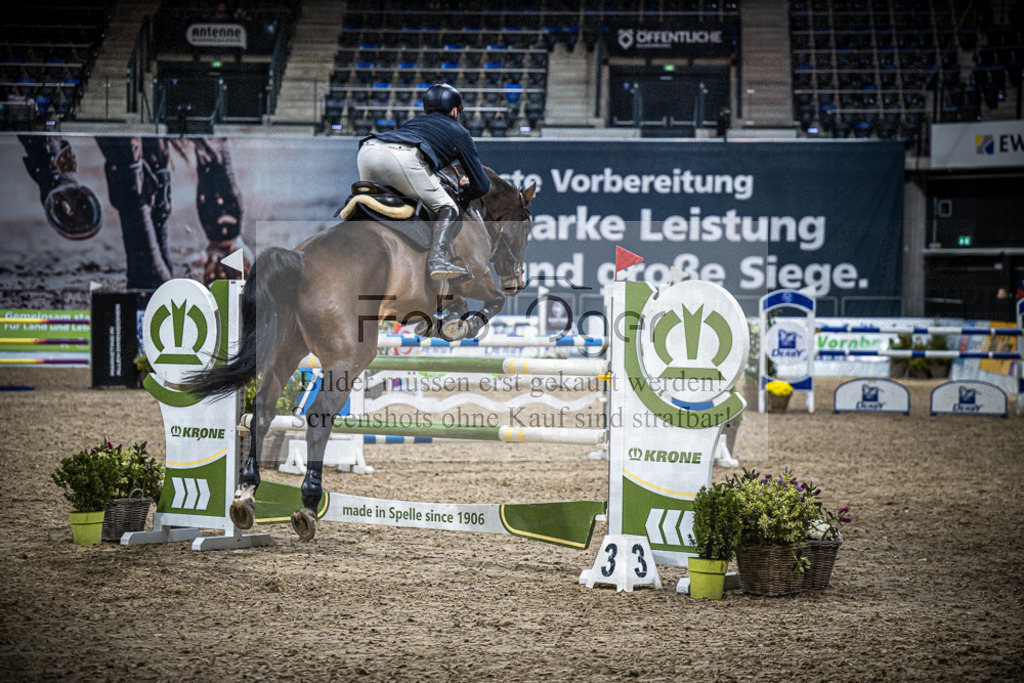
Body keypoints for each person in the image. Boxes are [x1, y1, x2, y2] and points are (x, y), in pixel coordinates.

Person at [356, 83, 490, 280]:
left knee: (379, 205)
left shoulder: (415, 123)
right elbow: (482, 185)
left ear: (426, 110)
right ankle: (437, 260)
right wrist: (465, 190)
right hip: (403, 157)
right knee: (448, 207)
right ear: (454, 111)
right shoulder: (460, 132)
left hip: (368, 149)